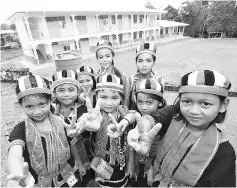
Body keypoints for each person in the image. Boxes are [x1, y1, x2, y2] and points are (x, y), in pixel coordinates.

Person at [126, 69, 236, 187]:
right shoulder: (173, 116)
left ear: (223, 105)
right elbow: (155, 117)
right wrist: (142, 128)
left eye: (205, 104)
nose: (194, 111)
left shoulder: (223, 152)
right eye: (187, 101)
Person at [7, 74, 82, 187]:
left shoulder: (62, 122)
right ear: (21, 105)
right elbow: (15, 154)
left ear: (50, 101)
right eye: (29, 107)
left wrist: (80, 163)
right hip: (38, 181)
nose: (37, 111)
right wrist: (16, 175)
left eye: (42, 104)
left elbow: (72, 145)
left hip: (68, 174)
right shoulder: (22, 129)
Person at [76, 74, 132, 187]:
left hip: (118, 162)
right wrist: (83, 126)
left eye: (115, 98)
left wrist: (130, 163)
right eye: (103, 97)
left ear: (121, 98)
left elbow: (134, 115)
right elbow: (82, 128)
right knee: (100, 182)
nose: (109, 103)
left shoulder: (123, 113)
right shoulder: (94, 115)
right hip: (97, 159)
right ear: (96, 96)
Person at [127, 78, 167, 187]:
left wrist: (152, 170)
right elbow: (131, 144)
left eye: (149, 102)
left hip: (153, 167)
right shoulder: (136, 118)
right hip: (137, 163)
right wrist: (130, 163)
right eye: (140, 102)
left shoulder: (164, 123)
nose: (144, 107)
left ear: (160, 103)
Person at [129, 42, 165, 110]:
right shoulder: (132, 79)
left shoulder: (160, 81)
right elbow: (128, 103)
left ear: (154, 62)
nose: (144, 65)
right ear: (136, 62)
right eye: (140, 61)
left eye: (148, 61)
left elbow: (161, 105)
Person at [95, 39, 130, 107]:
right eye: (101, 57)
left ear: (112, 56)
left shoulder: (122, 75)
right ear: (97, 58)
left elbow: (126, 97)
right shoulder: (95, 76)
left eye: (107, 56)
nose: (104, 60)